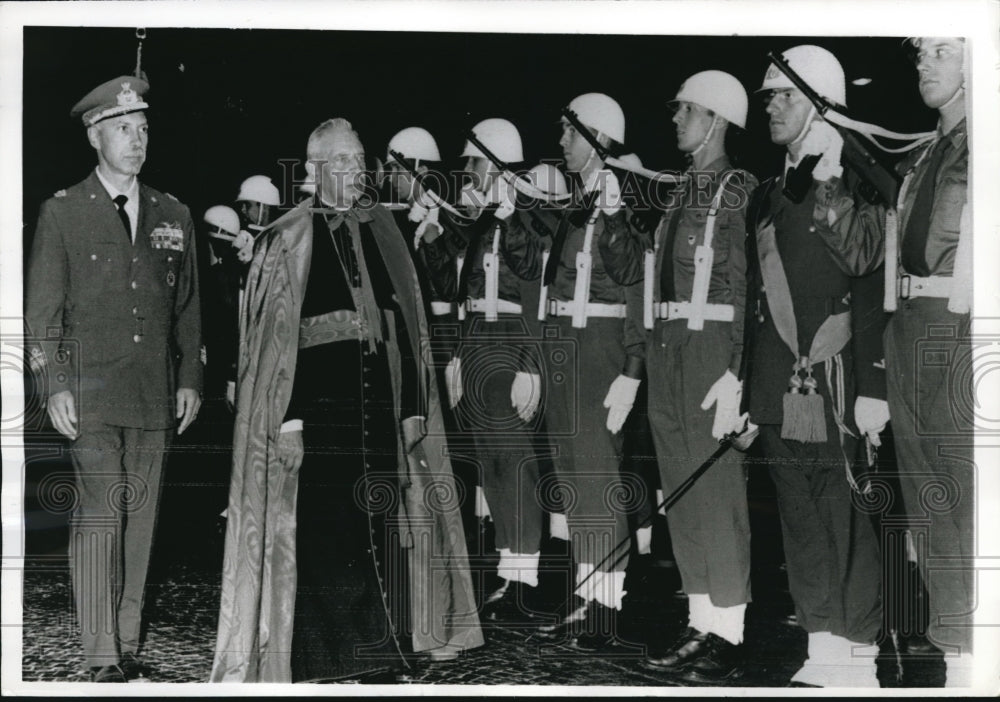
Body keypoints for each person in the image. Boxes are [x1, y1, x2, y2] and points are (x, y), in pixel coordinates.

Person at [210, 117, 483, 683]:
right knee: (327, 537)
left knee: (382, 530)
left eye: (360, 161)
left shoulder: (384, 226)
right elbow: (275, 348)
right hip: (319, 413)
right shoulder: (286, 237)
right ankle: (323, 661)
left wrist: (412, 404)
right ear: (312, 170)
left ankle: (382, 649)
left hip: (378, 408)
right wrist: (287, 420)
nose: (356, 172)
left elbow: (406, 323)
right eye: (342, 162)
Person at [24, 75, 202, 683]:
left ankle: (127, 641)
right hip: (92, 396)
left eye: (143, 128)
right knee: (101, 515)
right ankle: (101, 652)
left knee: (142, 519)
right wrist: (55, 386)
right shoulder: (64, 212)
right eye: (123, 129)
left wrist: (192, 379)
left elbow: (188, 311)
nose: (137, 139)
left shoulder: (173, 213)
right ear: (95, 137)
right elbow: (43, 314)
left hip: (154, 392)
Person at [809, 37, 974, 687]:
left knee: (968, 498)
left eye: (942, 51)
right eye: (920, 55)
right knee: (932, 502)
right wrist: (826, 180)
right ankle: (957, 650)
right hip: (909, 331)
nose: (924, 65)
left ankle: (976, 652)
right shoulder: (928, 152)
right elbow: (865, 254)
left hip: (961, 331)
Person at [608, 70, 756, 683]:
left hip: (708, 349)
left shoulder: (736, 189)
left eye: (686, 110)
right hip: (670, 348)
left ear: (715, 120)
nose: (675, 119)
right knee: (682, 494)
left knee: (716, 496)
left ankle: (729, 632)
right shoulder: (678, 192)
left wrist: (736, 372)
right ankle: (701, 621)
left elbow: (747, 286)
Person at [745, 45, 885, 687]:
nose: (770, 105)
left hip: (834, 379)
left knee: (845, 517)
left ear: (822, 104)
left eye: (786, 96)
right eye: (769, 95)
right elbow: (758, 298)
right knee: (799, 520)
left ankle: (857, 655)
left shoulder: (855, 183)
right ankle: (823, 643)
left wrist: (872, 386)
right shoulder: (770, 193)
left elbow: (866, 279)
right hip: (781, 382)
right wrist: (747, 387)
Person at [503, 93, 646, 650]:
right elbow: (548, 289)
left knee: (598, 478)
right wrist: (535, 362)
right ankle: (589, 593)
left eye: (570, 132)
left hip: (602, 348)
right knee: (572, 475)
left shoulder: (623, 199)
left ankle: (607, 606)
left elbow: (637, 282)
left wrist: (633, 365)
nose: (561, 142)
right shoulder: (575, 202)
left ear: (600, 139)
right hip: (565, 347)